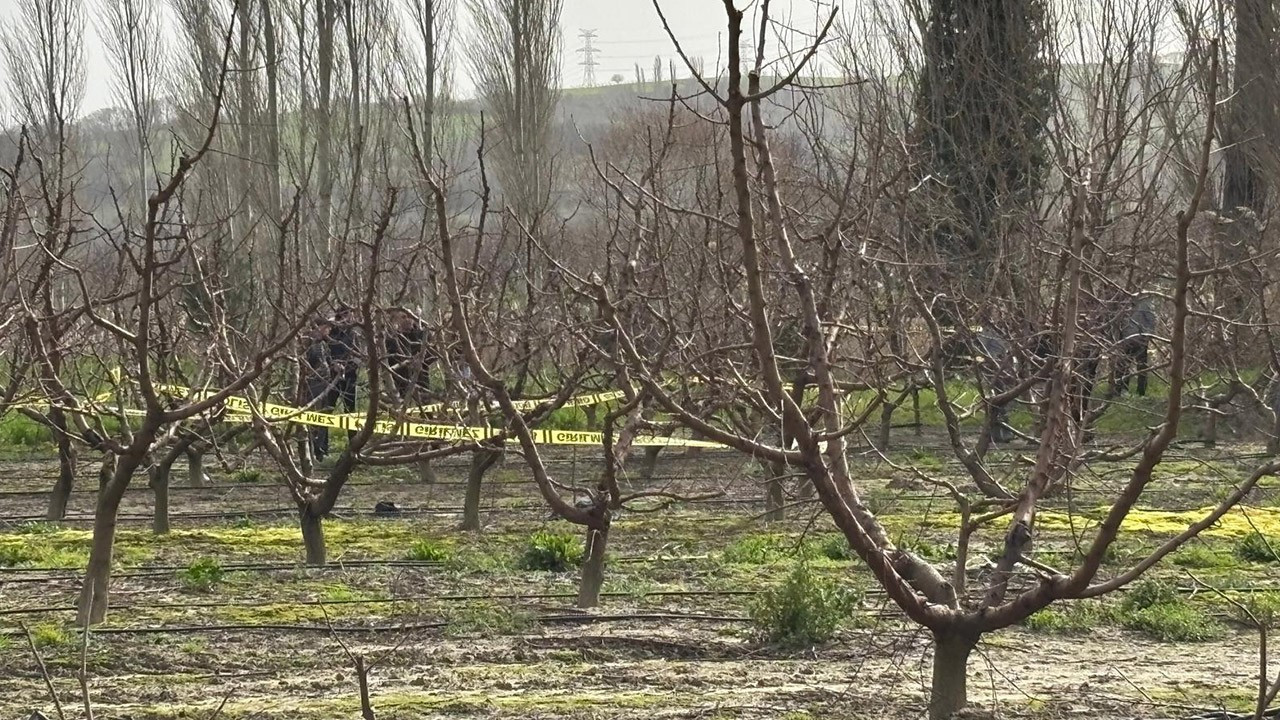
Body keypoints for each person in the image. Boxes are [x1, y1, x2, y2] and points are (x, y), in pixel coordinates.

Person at [301, 317, 334, 461]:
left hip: (326, 384)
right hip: (312, 384)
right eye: (327, 327)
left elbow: (328, 360)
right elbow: (304, 363)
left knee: (324, 416)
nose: (329, 331)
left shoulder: (324, 344)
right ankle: (312, 448)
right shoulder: (307, 342)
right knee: (313, 417)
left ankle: (321, 448)